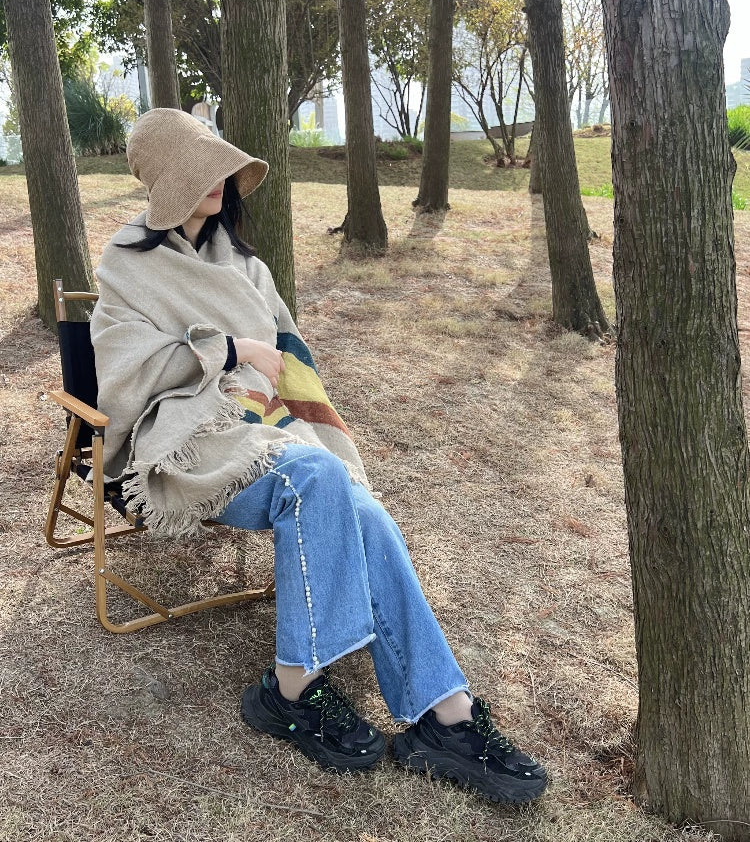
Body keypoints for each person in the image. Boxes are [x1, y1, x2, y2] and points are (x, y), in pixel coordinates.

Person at [91, 108, 547, 803]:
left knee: (350, 497)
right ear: (166, 183)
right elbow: (119, 366)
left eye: (220, 168)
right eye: (199, 172)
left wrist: (291, 399)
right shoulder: (126, 262)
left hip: (270, 429)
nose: (217, 183)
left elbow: (291, 353)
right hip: (190, 440)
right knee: (313, 478)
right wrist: (227, 351)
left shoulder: (244, 263)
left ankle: (445, 715)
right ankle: (294, 690)